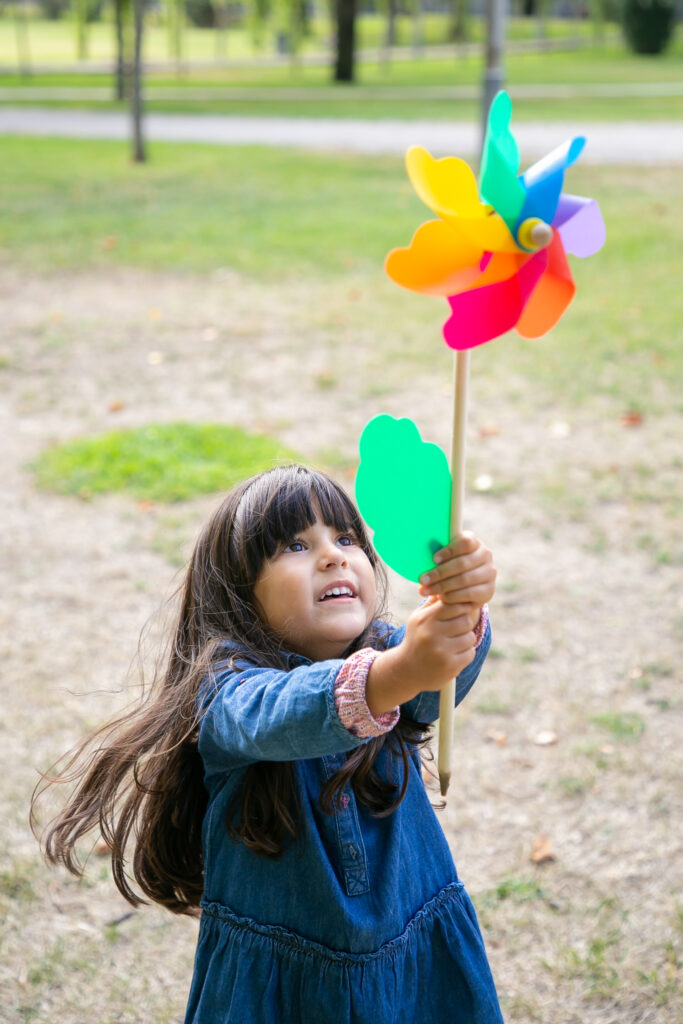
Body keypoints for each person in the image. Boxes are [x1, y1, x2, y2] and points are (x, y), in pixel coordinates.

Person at [35, 464, 503, 1024]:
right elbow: (282, 714)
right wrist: (398, 671)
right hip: (283, 990)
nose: (333, 555)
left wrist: (460, 609)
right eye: (294, 545)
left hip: (412, 955)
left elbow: (433, 684)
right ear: (239, 594)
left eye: (347, 537)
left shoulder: (388, 649)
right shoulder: (226, 693)